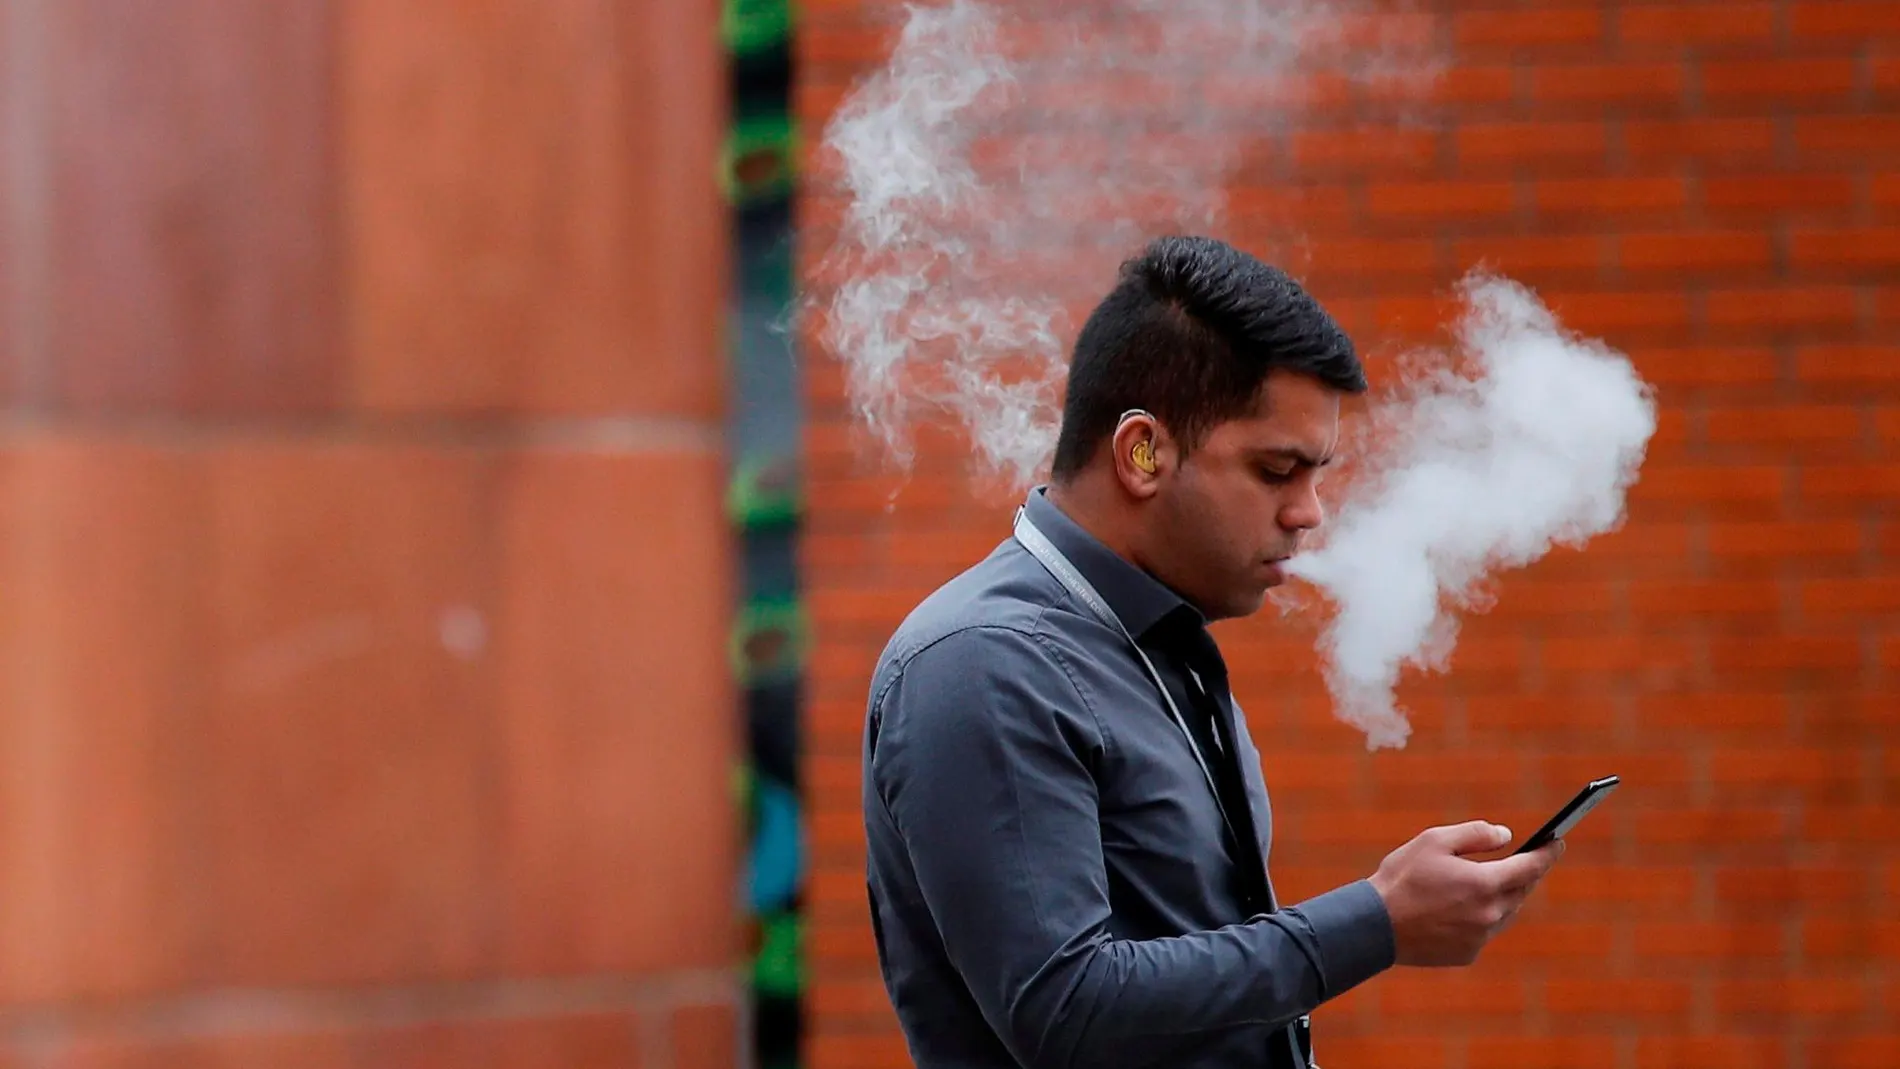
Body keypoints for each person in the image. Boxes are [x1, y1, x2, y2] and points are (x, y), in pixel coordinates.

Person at [858, 235, 1567, 1069]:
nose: (1308, 513)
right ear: (1142, 453)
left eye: (1316, 474)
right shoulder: (986, 661)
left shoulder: (1157, 640)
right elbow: (1064, 1009)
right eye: (1275, 470)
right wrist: (1375, 921)